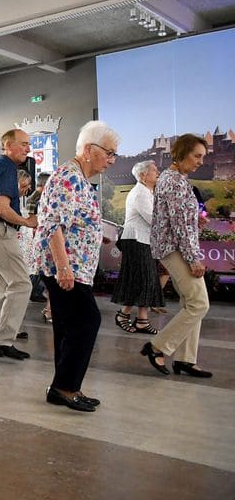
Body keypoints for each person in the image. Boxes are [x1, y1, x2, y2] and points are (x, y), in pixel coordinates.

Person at [35, 120, 118, 413]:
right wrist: (63, 268)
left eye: (113, 154)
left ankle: (64, 387)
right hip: (66, 268)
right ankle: (65, 386)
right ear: (87, 149)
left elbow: (74, 220)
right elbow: (52, 224)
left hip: (76, 266)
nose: (111, 159)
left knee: (69, 326)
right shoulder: (67, 177)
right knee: (87, 322)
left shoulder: (80, 178)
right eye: (108, 152)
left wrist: (98, 234)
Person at [142, 134, 212, 378]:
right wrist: (194, 258)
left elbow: (183, 220)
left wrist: (196, 222)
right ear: (181, 154)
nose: (201, 161)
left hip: (176, 247)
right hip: (176, 250)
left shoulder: (175, 179)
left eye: (203, 156)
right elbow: (179, 224)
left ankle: (186, 360)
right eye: (197, 156)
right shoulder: (173, 181)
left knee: (190, 303)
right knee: (199, 303)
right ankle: (157, 347)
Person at [0, 128, 37, 360]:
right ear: (8, 146)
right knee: (23, 284)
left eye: (28, 144)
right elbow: (1, 209)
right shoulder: (6, 168)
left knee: (4, 288)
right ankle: (3, 339)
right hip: (1, 230)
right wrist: (27, 222)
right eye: (23, 144)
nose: (28, 148)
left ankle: (0, 341)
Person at [111, 160, 164, 334]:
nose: (158, 172)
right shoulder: (140, 193)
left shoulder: (147, 191)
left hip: (142, 239)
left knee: (143, 279)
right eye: (154, 170)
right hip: (136, 240)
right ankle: (129, 316)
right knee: (144, 278)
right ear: (143, 175)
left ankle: (139, 319)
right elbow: (152, 218)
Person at [0, 169, 34, 336]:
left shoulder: (17, 199)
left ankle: (4, 326)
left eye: (28, 186)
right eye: (24, 185)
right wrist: (26, 222)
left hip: (15, 244)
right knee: (16, 285)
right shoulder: (4, 199)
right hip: (6, 244)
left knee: (7, 286)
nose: (27, 189)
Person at [26, 172, 50, 303]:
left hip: (37, 235)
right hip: (35, 236)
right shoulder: (34, 199)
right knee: (36, 267)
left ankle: (36, 291)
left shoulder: (38, 197)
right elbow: (30, 219)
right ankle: (34, 291)